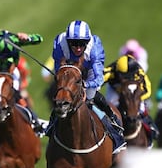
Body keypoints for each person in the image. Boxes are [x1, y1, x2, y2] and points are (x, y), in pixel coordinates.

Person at [45, 20, 126, 154]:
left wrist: (84, 84)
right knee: (60, 99)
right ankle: (51, 125)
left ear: (87, 42)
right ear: (68, 41)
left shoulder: (94, 48)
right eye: (74, 43)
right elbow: (58, 70)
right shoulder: (59, 43)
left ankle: (113, 127)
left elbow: (98, 78)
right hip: (68, 73)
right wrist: (66, 83)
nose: (77, 48)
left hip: (88, 74)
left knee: (91, 98)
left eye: (82, 44)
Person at [0, 30, 44, 147]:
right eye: (1, 56)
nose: (4, 58)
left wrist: (28, 38)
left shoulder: (14, 40)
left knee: (17, 95)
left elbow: (39, 38)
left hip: (11, 74)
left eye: (7, 56)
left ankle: (34, 121)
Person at [103, 54, 159, 145]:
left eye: (129, 75)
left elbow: (147, 90)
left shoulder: (139, 72)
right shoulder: (111, 71)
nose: (127, 78)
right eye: (124, 76)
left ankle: (149, 124)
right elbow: (98, 80)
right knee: (110, 106)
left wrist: (134, 99)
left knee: (140, 107)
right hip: (116, 90)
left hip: (134, 92)